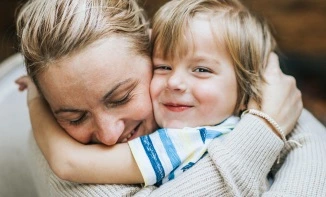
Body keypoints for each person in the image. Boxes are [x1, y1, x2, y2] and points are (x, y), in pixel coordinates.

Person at [15, 0, 325, 196]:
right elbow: (67, 163)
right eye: (74, 117)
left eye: (121, 97)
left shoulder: (206, 108)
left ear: (152, 47)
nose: (109, 136)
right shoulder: (52, 147)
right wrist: (263, 132)